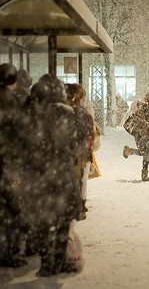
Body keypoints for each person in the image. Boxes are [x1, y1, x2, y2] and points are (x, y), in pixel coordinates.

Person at [19, 74, 84, 276]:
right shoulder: (68, 113)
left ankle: (47, 264)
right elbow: (76, 144)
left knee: (45, 221)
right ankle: (59, 259)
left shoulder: (32, 113)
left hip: (39, 174)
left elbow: (23, 144)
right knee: (63, 221)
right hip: (62, 173)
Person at [0, 63, 27, 268]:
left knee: (2, 208)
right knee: (12, 209)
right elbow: (18, 132)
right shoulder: (9, 101)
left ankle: (2, 250)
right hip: (8, 161)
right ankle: (8, 253)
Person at [66, 83, 95, 220]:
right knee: (78, 180)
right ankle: (78, 207)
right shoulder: (82, 113)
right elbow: (90, 134)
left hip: (64, 153)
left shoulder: (60, 111)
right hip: (78, 153)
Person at [122, 92, 149, 181]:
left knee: (144, 152)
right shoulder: (142, 107)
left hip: (148, 134)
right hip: (140, 132)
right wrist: (148, 126)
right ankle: (144, 174)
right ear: (147, 98)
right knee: (145, 153)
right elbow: (139, 119)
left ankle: (130, 151)